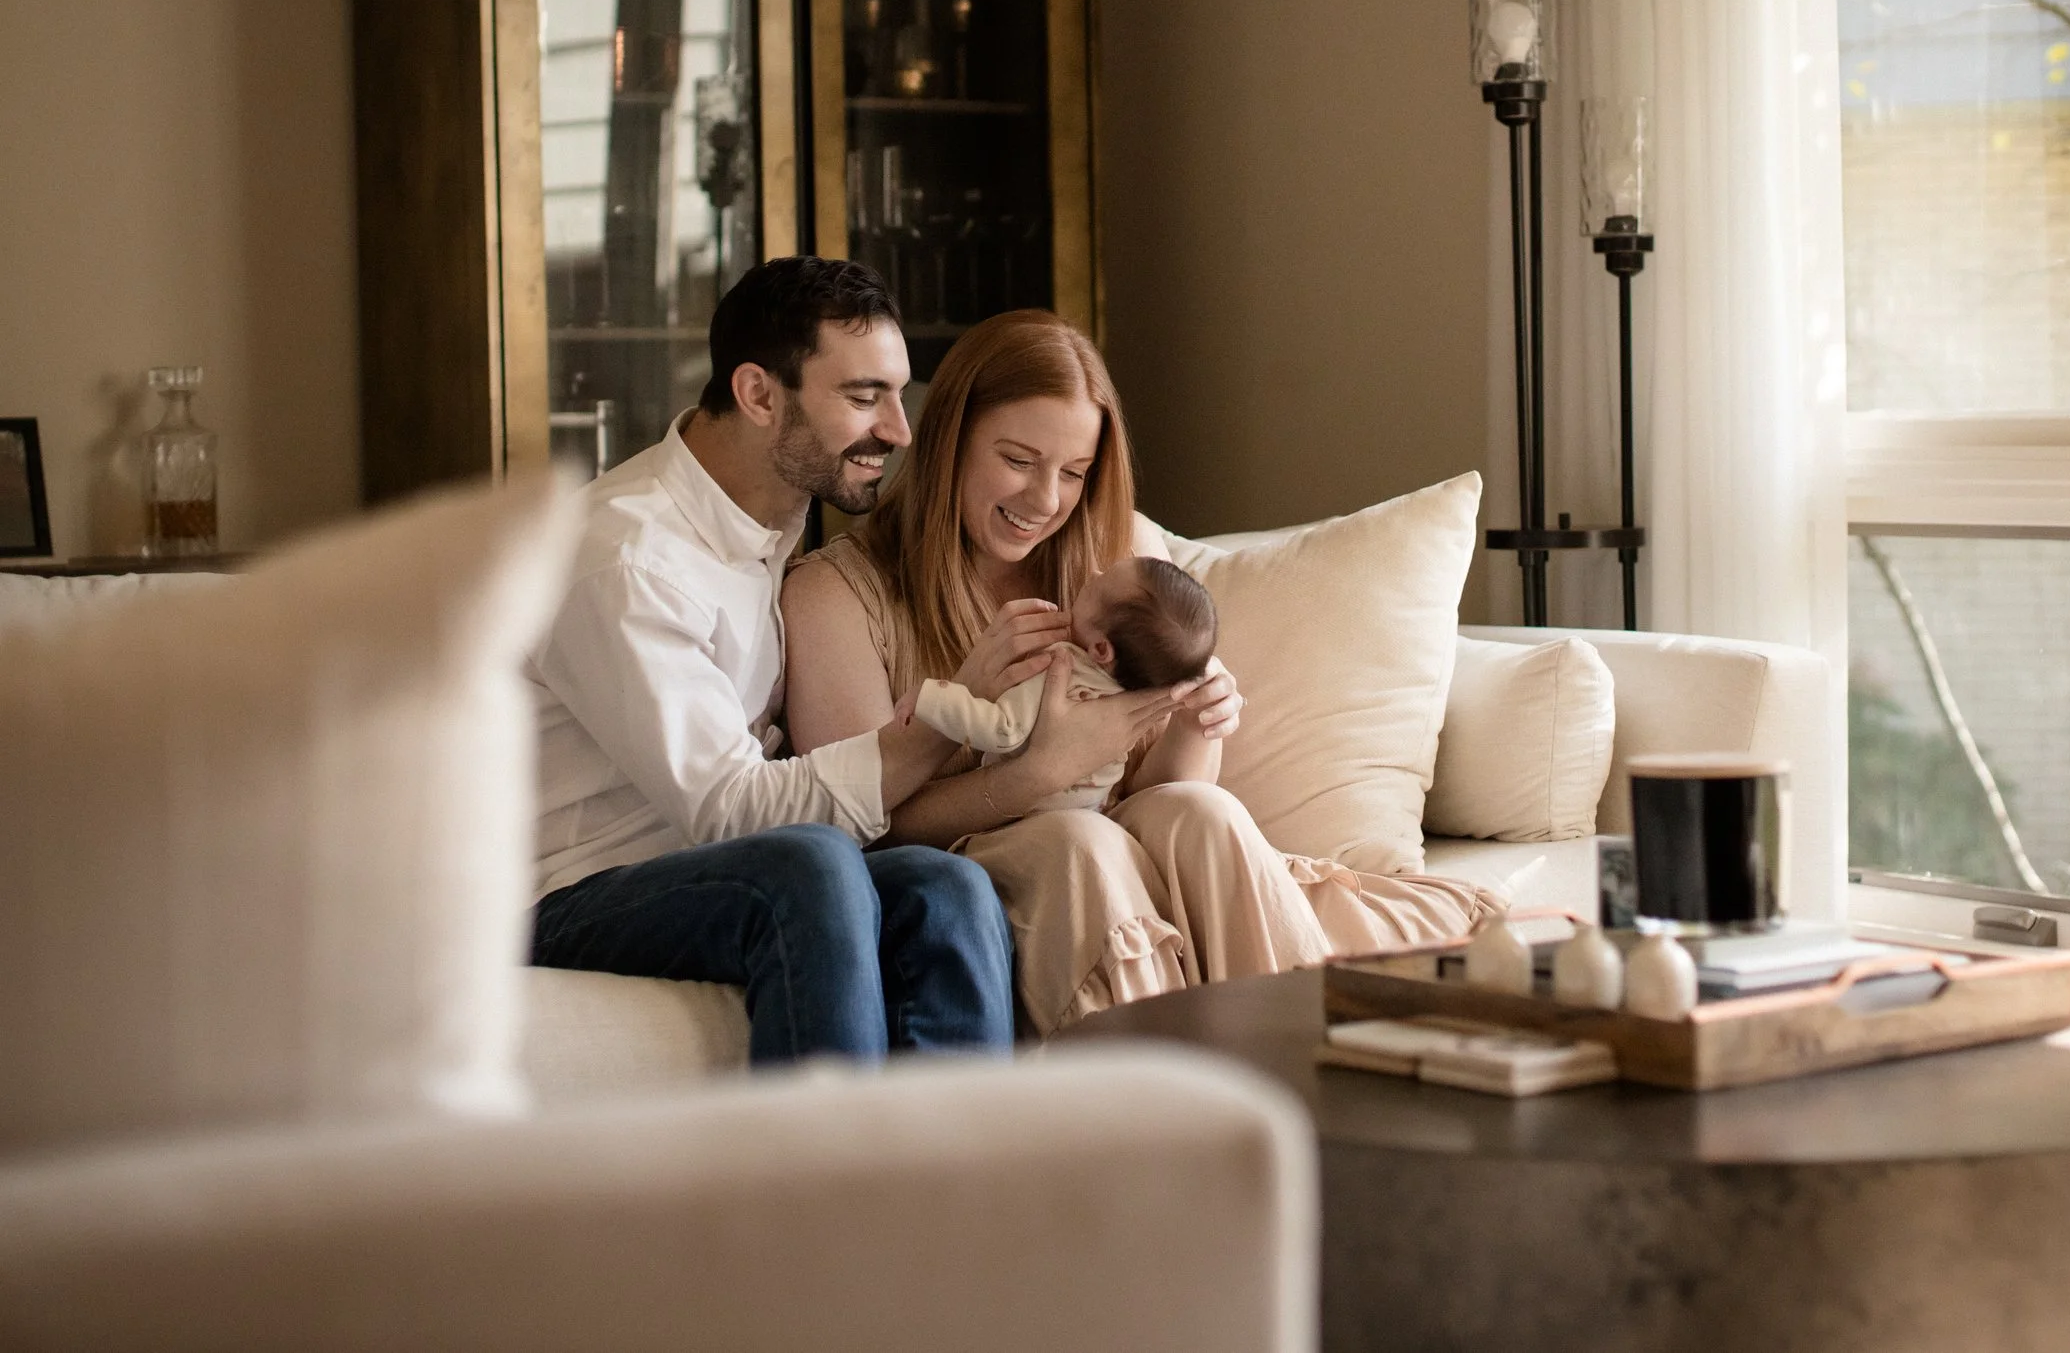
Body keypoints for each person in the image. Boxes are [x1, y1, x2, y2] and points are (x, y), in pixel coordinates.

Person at [780, 309, 1498, 1036]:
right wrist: (1031, 771)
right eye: (1019, 460)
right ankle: (1154, 1110)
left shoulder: (1109, 569)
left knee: (1203, 811)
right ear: (949, 440)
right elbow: (860, 832)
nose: (1046, 500)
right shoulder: (833, 594)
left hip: (1109, 840)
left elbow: (1155, 797)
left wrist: (1192, 717)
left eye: (1073, 473)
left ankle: (1314, 1066)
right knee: (1079, 843)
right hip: (970, 866)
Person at [527, 257, 1014, 1062]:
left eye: (897, 394)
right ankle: (818, 1183)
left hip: (709, 872)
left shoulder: (768, 519)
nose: (899, 429)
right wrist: (937, 723)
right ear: (758, 394)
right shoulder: (629, 560)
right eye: (864, 397)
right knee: (809, 865)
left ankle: (954, 1179)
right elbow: (730, 810)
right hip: (573, 890)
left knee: (946, 887)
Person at [905, 556, 1219, 815]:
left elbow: (1004, 730)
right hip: (1093, 812)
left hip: (1026, 822)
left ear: (1100, 650)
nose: (1093, 571)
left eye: (1098, 584)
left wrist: (932, 698)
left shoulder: (1060, 667)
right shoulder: (1138, 691)